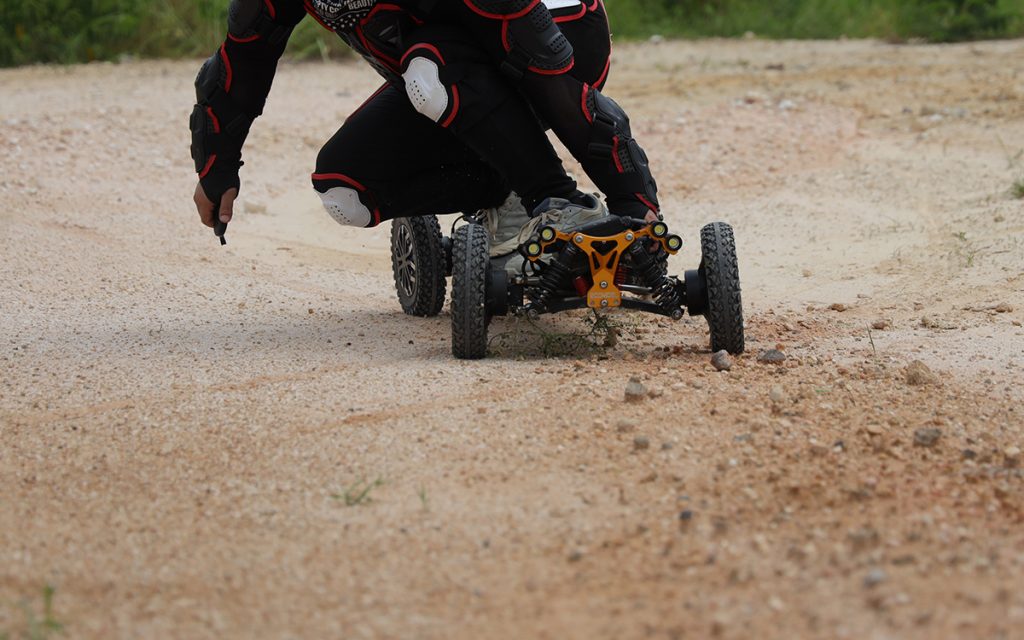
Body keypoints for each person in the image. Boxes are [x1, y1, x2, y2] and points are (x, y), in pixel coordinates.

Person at [189, 0, 661, 257]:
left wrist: (632, 201)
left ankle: (554, 201)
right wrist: (217, 168)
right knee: (346, 192)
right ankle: (512, 191)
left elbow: (550, 75)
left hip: (560, 38)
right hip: (453, 64)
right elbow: (240, 62)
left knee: (429, 72)